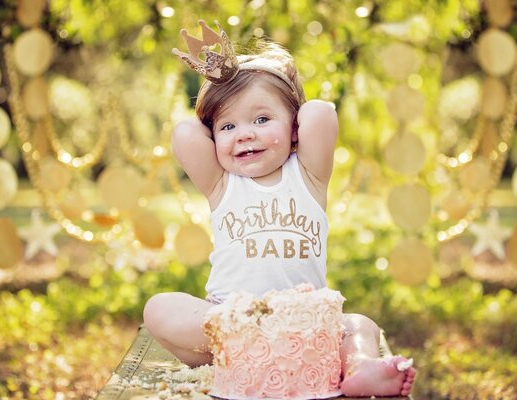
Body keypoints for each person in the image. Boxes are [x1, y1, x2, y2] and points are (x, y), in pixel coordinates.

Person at [143, 20, 416, 397]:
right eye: (227, 126)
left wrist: (283, 93)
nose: (244, 134)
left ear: (294, 130)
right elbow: (184, 135)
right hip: (232, 321)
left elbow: (320, 112)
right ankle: (241, 356)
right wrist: (220, 90)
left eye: (261, 119)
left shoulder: (307, 176)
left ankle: (361, 367)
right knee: (159, 308)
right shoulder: (222, 184)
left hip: (307, 327)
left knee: (359, 325)